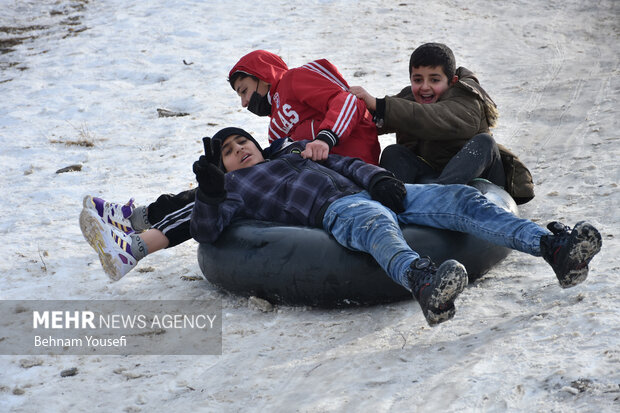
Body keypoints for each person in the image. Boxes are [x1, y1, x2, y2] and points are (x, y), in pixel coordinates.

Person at [184, 127, 601, 326]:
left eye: (243, 143)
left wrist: (379, 178)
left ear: (258, 145)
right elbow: (208, 231)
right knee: (376, 226)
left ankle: (553, 249)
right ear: (222, 165)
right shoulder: (234, 187)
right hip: (338, 210)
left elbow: (345, 162)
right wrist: (210, 191)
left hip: (385, 191)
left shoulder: (295, 154)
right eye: (228, 150)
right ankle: (423, 284)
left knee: (462, 199)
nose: (239, 150)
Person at [79, 50, 382, 279]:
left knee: (233, 186)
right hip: (311, 178)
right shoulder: (277, 129)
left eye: (244, 90)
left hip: (344, 172)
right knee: (222, 186)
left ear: (264, 76)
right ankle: (137, 219)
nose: (244, 103)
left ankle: (136, 229)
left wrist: (327, 139)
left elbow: (347, 103)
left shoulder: (293, 80)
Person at [350, 42, 535, 204]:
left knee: (485, 143)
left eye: (434, 80)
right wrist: (332, 122)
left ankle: (437, 196)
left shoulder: (468, 100)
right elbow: (371, 121)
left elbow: (433, 117)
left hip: (476, 180)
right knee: (394, 152)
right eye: (418, 79)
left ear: (452, 81)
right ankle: (391, 202)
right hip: (433, 176)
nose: (424, 87)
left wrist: (379, 104)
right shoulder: (409, 100)